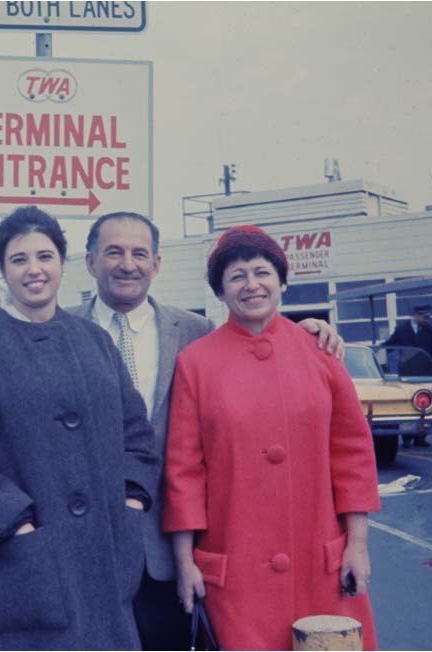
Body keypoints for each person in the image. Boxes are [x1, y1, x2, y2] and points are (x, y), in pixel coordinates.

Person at [67, 212, 345, 650]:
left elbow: (256, 343)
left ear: (157, 264)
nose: (127, 264)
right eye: (113, 252)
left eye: (140, 253)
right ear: (89, 262)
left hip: (169, 545)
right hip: (87, 540)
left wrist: (309, 331)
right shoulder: (57, 331)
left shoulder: (195, 332)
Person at [0, 206, 160, 650]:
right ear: (2, 269)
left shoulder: (94, 341)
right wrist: (16, 525)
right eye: (19, 260)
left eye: (45, 256)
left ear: (63, 263)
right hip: (25, 567)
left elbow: (137, 434)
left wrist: (132, 500)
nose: (34, 270)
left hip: (105, 556)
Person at [162, 225, 381, 651]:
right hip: (236, 574)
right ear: (220, 292)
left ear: (282, 280)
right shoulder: (195, 364)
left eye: (261, 272)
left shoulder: (322, 353)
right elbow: (184, 471)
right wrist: (184, 560)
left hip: (322, 565)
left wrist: (358, 544)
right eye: (236, 276)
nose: (251, 285)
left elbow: (352, 455)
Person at [384, 304, 432, 447]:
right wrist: (379, 354)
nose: (427, 320)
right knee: (409, 405)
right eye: (425, 317)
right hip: (408, 373)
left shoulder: (431, 331)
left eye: (428, 317)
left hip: (425, 372)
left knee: (425, 405)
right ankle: (407, 437)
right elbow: (389, 345)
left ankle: (421, 437)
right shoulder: (402, 330)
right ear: (416, 315)